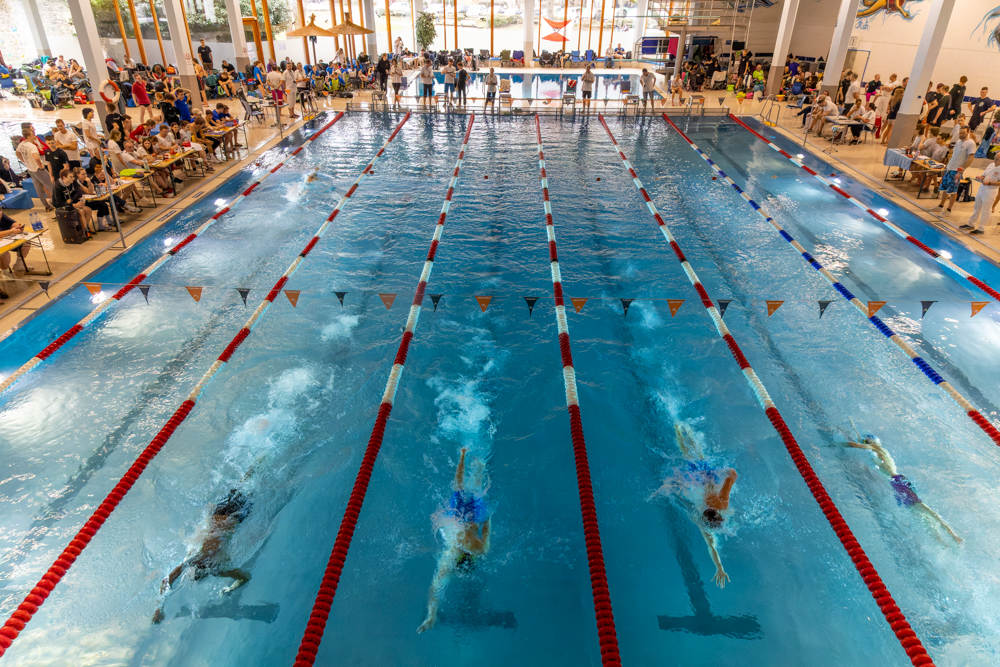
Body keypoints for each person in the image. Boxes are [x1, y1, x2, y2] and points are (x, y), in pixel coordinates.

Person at [650, 424, 738, 588]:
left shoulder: (719, 507)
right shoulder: (715, 508)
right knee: (689, 455)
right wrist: (719, 567)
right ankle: (679, 430)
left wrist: (720, 567)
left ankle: (684, 430)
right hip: (699, 479)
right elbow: (711, 545)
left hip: (704, 478)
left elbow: (732, 476)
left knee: (697, 455)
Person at [152, 487, 254, 624]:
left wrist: (160, 608)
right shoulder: (203, 562)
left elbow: (245, 577)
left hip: (232, 517)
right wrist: (159, 607)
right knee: (244, 485)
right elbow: (167, 581)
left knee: (248, 487)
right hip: (223, 515)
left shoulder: (214, 567)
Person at [417, 448, 491, 633]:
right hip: (461, 519)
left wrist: (489, 517)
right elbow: (434, 590)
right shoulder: (464, 552)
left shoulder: (478, 549)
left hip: (469, 519)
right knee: (462, 488)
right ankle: (465, 457)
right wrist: (431, 615)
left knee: (472, 490)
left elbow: (486, 530)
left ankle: (470, 460)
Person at [844, 431, 960, 543]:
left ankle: (953, 536)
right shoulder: (877, 454)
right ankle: (941, 541)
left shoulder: (877, 448)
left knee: (926, 510)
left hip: (898, 482)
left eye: (866, 442)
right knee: (920, 516)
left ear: (871, 442)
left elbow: (855, 445)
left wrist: (837, 443)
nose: (866, 444)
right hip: (896, 485)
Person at [937, 125, 977, 215]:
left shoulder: (971, 143)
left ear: (968, 133)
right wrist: (946, 167)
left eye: (963, 133)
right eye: (960, 133)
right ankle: (940, 206)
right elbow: (953, 156)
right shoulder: (958, 141)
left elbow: (970, 158)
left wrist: (960, 171)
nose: (961, 135)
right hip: (949, 168)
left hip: (956, 170)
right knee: (945, 188)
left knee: (953, 191)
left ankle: (949, 210)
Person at [960, 152, 1000, 234]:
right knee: (977, 206)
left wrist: (989, 183)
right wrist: (981, 177)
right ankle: (971, 223)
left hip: (991, 190)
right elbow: (984, 174)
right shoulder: (991, 165)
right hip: (982, 188)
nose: (994, 160)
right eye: (994, 158)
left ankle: (981, 228)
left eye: (997, 159)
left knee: (986, 209)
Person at [16, 129, 53, 211]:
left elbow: (17, 153)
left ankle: (46, 205)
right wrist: (40, 165)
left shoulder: (21, 144)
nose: (34, 136)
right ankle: (58, 203)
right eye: (33, 135)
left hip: (30, 169)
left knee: (38, 188)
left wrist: (25, 161)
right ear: (29, 136)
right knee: (50, 185)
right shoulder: (32, 146)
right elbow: (36, 157)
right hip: (37, 168)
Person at [0, 212, 32, 279]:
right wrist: (11, 231)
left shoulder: (1, 215)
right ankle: (5, 272)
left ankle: (19, 264)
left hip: (4, 239)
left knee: (26, 241)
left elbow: (11, 222)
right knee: (3, 252)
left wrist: (17, 226)